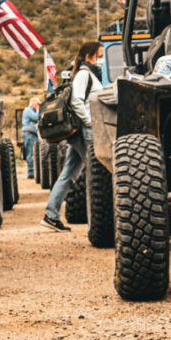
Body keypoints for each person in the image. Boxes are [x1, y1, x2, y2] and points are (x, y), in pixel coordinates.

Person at [42, 42, 101, 232]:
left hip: (81, 131)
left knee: (69, 173)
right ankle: (100, 221)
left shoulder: (86, 73)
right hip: (86, 131)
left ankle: (51, 215)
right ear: (88, 56)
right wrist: (90, 122)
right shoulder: (84, 74)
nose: (101, 60)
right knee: (96, 174)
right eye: (99, 56)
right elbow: (77, 101)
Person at [21, 98, 41, 179]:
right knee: (31, 153)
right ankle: (31, 173)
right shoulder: (28, 110)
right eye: (38, 104)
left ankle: (33, 172)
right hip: (29, 134)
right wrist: (38, 109)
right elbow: (36, 117)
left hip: (32, 134)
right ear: (33, 103)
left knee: (33, 153)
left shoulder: (31, 110)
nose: (38, 106)